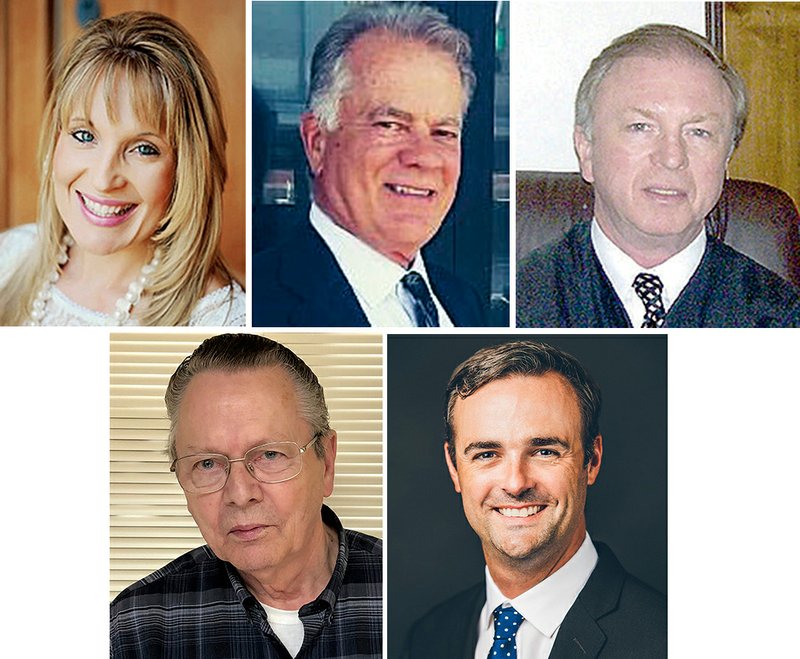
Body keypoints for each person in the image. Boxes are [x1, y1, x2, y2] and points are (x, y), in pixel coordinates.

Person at [111, 333, 382, 658]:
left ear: (326, 463)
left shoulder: (409, 595)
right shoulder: (133, 626)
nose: (240, 494)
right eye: (207, 463)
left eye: (269, 455)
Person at [517, 24, 800, 328]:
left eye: (699, 132)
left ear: (727, 156)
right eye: (641, 127)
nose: (672, 157)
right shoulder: (516, 306)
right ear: (586, 150)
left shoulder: (780, 319)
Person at [403, 340, 666, 658]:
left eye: (544, 451)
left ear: (592, 460)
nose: (515, 483)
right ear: (454, 467)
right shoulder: (428, 637)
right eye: (487, 454)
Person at [0, 12, 244, 326]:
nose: (103, 179)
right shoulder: (11, 254)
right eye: (85, 136)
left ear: (187, 170)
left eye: (144, 149)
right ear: (55, 141)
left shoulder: (223, 322)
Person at [251, 2, 485, 327]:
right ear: (317, 143)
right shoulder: (255, 307)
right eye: (389, 125)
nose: (424, 157)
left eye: (443, 132)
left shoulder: (463, 303)